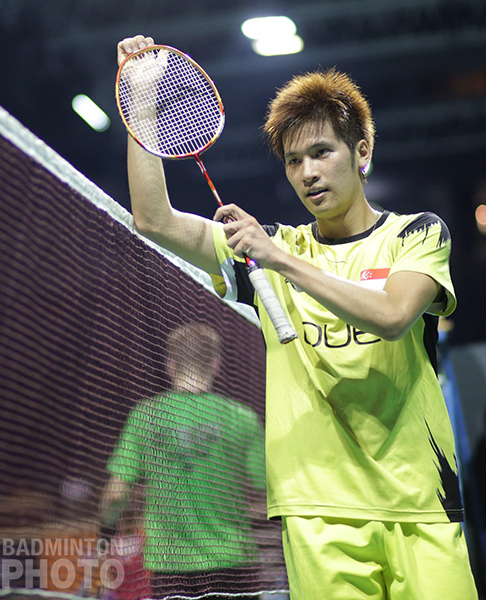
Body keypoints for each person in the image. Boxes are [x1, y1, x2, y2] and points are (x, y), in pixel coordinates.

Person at [116, 35, 478, 599]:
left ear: (362, 152)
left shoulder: (416, 233)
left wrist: (277, 258)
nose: (308, 172)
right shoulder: (266, 250)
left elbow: (392, 315)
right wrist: (141, 104)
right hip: (318, 508)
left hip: (420, 499)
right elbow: (153, 219)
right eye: (293, 161)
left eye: (322, 152)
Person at [101, 322, 266, 599]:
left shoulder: (147, 415)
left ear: (170, 364)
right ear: (214, 364)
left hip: (172, 569)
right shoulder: (242, 417)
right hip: (235, 565)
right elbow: (265, 490)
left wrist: (105, 532)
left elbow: (116, 494)